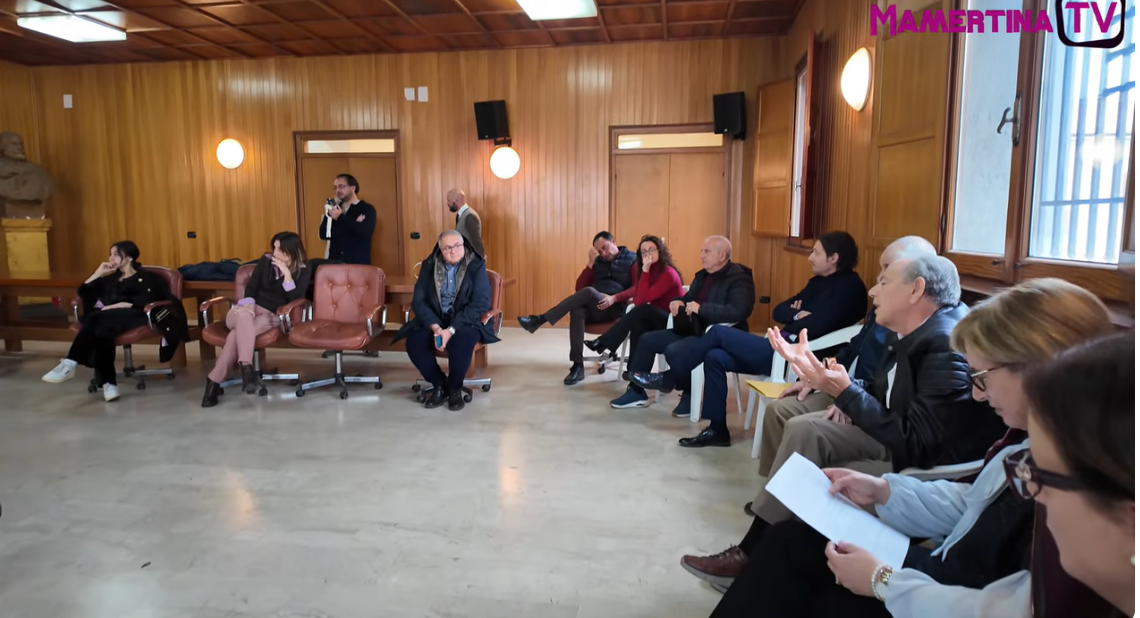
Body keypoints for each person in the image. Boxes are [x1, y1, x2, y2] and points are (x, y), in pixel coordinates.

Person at [690, 278, 1117, 618]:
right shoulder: (1028, 443)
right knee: (792, 538)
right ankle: (758, 541)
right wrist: (884, 492)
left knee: (797, 567)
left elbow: (1013, 605)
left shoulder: (1080, 484)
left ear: (1037, 371)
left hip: (943, 580)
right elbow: (972, 501)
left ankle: (753, 552)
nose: (978, 394)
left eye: (983, 378)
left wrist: (883, 581)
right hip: (942, 570)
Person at [682, 253, 1006, 578]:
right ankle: (763, 535)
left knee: (810, 441)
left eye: (884, 282)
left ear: (915, 289)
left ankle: (757, 552)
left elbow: (919, 444)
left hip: (920, 460)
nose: (873, 291)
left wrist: (847, 394)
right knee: (803, 429)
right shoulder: (914, 330)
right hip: (898, 432)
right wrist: (830, 380)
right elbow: (886, 389)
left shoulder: (944, 345)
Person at [629, 231, 868, 447]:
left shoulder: (850, 288)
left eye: (816, 252)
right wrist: (797, 313)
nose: (810, 257)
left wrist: (799, 317)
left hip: (798, 358)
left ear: (833, 258)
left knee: (717, 332)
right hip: (780, 346)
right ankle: (717, 429)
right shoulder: (817, 282)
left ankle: (671, 377)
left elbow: (820, 324)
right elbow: (780, 311)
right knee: (714, 356)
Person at [756, 235, 935, 475]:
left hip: (865, 403)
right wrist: (821, 377)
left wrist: (849, 400)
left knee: (802, 429)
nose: (876, 283)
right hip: (853, 389)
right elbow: (853, 348)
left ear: (916, 285)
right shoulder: (886, 307)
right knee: (777, 410)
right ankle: (774, 486)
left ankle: (784, 494)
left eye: (887, 270)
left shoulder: (923, 331)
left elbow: (896, 403)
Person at [608, 235, 755, 421]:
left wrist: (702, 309)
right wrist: (677, 301)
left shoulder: (739, 278)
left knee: (675, 350)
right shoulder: (702, 276)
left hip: (717, 334)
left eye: (707, 251)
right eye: (702, 251)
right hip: (692, 328)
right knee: (647, 340)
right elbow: (687, 298)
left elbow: (739, 311)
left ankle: (688, 394)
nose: (701, 255)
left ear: (721, 255)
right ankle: (636, 392)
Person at [41, 241, 166, 402]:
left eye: (116, 254)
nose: (111, 258)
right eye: (110, 254)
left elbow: (150, 299)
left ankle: (71, 362)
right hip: (107, 318)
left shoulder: (146, 277)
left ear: (129, 257)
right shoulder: (111, 279)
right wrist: (98, 273)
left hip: (135, 315)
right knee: (102, 331)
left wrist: (121, 305)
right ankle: (109, 384)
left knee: (96, 318)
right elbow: (84, 293)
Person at [201, 232, 312, 408]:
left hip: (270, 316)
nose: (274, 253)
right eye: (274, 248)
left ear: (291, 251)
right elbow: (251, 288)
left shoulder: (303, 270)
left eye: (279, 249)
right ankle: (246, 365)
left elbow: (295, 300)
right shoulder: (265, 261)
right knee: (243, 316)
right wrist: (249, 305)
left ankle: (213, 382)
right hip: (245, 311)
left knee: (235, 336)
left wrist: (287, 275)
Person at [393, 230, 497, 411]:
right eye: (447, 248)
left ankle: (455, 388)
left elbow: (480, 303)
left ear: (463, 245)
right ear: (440, 250)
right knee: (415, 342)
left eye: (457, 246)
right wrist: (435, 327)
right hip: (436, 318)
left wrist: (451, 329)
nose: (453, 251)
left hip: (466, 320)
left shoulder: (475, 265)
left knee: (461, 343)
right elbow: (419, 301)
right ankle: (439, 384)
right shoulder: (429, 265)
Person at [517, 231, 638, 385]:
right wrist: (590, 263)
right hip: (595, 306)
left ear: (613, 241)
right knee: (577, 311)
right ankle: (577, 365)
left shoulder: (632, 259)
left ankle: (540, 319)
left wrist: (614, 298)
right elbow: (579, 287)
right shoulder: (598, 262)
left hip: (615, 307)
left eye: (605, 247)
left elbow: (637, 287)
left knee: (589, 292)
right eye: (599, 251)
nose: (603, 253)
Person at [582, 235, 683, 363]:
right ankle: (633, 371)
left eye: (651, 250)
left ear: (660, 251)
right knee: (638, 324)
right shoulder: (648, 272)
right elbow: (638, 300)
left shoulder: (668, 273)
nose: (648, 254)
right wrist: (645, 271)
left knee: (643, 310)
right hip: (656, 319)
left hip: (672, 320)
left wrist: (645, 271)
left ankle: (604, 342)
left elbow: (642, 301)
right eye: (644, 252)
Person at [318, 173, 376, 265]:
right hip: (334, 263)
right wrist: (328, 215)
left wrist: (340, 217)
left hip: (357, 264)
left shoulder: (366, 209)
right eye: (335, 187)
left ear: (353, 188)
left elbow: (364, 232)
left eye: (341, 186)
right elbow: (324, 235)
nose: (338, 190)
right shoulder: (335, 209)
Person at [448, 188, 484, 259]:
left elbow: (476, 239)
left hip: (471, 259)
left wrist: (480, 258)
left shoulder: (470, 215)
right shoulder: (460, 215)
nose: (448, 204)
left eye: (449, 200)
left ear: (456, 201)